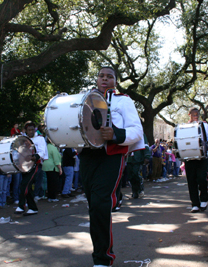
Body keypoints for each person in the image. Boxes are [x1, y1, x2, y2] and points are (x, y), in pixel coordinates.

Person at [79, 66, 144, 267]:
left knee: (100, 203)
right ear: (97, 79)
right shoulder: (85, 100)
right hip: (88, 157)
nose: (105, 79)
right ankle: (100, 250)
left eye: (110, 76)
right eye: (101, 76)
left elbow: (136, 130)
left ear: (115, 81)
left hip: (111, 156)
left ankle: (103, 257)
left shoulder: (123, 100)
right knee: (94, 205)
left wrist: (115, 134)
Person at [14, 121, 47, 216]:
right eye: (29, 130)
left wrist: (34, 157)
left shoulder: (39, 139)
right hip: (25, 166)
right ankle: (33, 208)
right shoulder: (24, 139)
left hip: (35, 165)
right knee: (27, 187)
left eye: (32, 129)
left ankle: (21, 206)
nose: (31, 131)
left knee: (24, 185)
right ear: (26, 131)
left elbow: (42, 152)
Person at [184, 107, 208, 213]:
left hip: (202, 157)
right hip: (189, 157)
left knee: (201, 178)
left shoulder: (204, 125)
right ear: (189, 115)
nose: (195, 117)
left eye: (197, 115)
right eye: (193, 115)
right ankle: (195, 204)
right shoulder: (184, 127)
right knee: (191, 181)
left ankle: (204, 199)